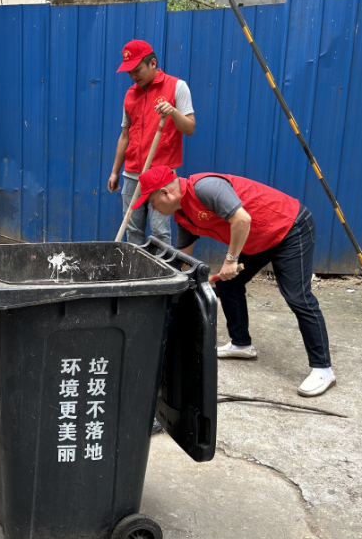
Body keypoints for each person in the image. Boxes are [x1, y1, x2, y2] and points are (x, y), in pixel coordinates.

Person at [135, 166, 336, 397]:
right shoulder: (184, 216)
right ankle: (241, 344)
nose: (153, 209)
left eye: (151, 202)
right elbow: (180, 260)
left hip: (290, 227)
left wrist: (231, 260)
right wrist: (162, 285)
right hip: (258, 238)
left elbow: (242, 219)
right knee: (228, 284)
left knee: (297, 296)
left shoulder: (205, 187)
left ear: (165, 193)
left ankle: (323, 368)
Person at [108, 39, 195, 246]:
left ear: (153, 63)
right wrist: (115, 171)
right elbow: (125, 136)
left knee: (160, 233)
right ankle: (135, 267)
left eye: (137, 70)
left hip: (162, 176)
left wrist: (173, 112)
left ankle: (161, 268)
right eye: (129, 72)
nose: (133, 76)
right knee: (132, 229)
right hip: (132, 174)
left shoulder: (177, 87)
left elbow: (189, 128)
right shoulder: (130, 94)